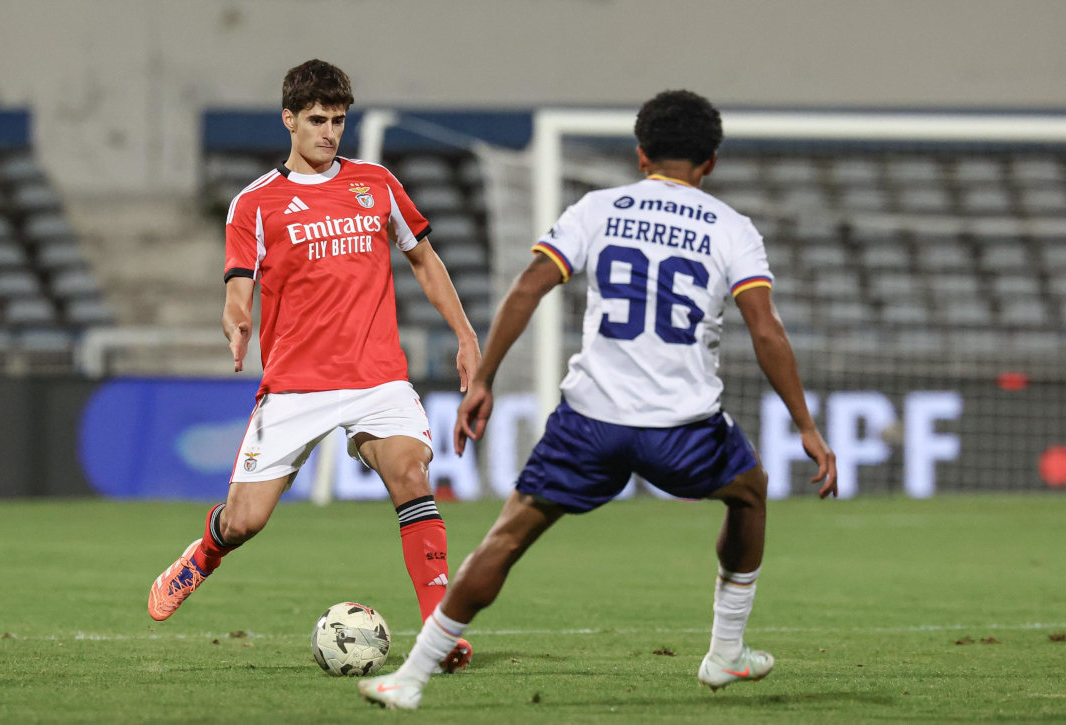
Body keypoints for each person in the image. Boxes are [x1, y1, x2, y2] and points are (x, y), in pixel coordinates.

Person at [358, 89, 838, 709]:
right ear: (710, 162)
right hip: (682, 424)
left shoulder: (598, 208)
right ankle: (725, 652)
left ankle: (411, 678)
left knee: (506, 538)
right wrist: (806, 425)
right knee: (749, 491)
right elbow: (766, 330)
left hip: (591, 421)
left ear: (641, 155)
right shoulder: (731, 230)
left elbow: (529, 288)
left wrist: (484, 380)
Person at [147, 59, 478, 672]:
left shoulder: (376, 185)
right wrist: (236, 317)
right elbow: (238, 286)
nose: (330, 132)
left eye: (339, 121)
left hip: (378, 376)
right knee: (245, 521)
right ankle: (207, 552)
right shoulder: (255, 203)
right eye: (318, 120)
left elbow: (426, 261)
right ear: (289, 121)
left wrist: (465, 334)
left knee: (410, 473)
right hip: (296, 387)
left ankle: (440, 633)